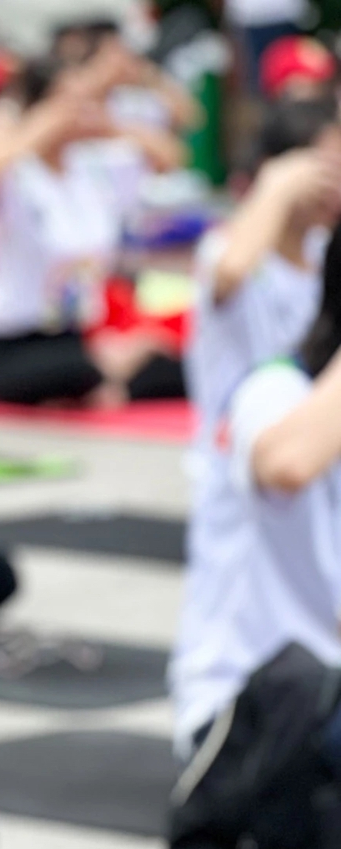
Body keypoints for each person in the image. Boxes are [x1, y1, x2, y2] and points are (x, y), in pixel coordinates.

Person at [171, 99, 341, 740]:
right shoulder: (237, 252)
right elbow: (230, 272)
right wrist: (274, 188)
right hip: (244, 462)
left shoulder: (325, 252)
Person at [0, 50, 188, 406]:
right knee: (79, 370)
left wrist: (111, 124)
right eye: (70, 102)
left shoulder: (91, 168)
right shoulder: (17, 172)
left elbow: (170, 157)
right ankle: (104, 381)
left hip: (80, 334)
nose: (81, 111)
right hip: (19, 343)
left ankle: (106, 381)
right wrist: (40, 123)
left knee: (175, 365)